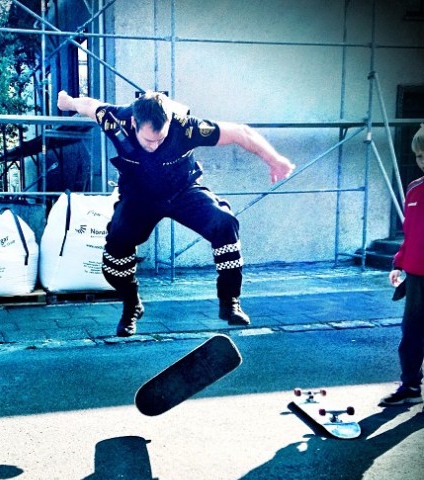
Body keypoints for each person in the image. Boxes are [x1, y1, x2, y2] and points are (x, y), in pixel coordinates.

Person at [57, 90, 295, 337]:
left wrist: (274, 160)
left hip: (183, 191)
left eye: (160, 139)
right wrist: (68, 103)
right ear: (134, 123)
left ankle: (230, 301)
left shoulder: (186, 127)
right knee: (116, 251)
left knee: (224, 223)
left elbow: (239, 132)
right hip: (139, 197)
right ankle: (131, 305)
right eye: (148, 140)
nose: (154, 146)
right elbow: (88, 105)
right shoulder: (116, 119)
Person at [380, 123, 424, 406]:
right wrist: (398, 263)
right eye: (420, 156)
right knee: (411, 333)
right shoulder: (414, 190)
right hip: (417, 275)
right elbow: (410, 234)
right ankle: (410, 386)